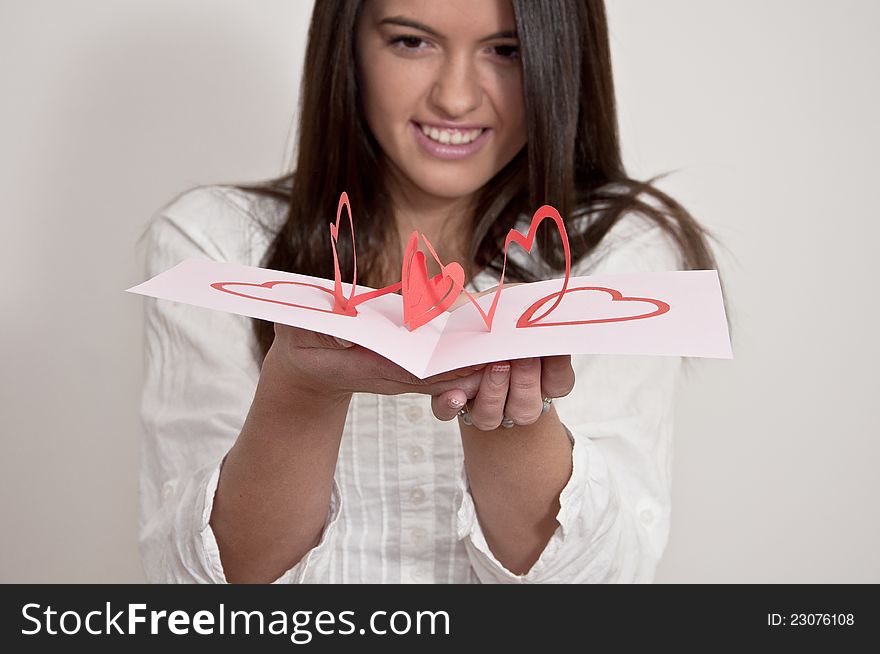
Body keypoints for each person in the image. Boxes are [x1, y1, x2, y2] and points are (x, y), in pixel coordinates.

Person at [138, 0, 719, 584]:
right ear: (348, 45)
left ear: (559, 59)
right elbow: (196, 591)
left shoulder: (620, 254)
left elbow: (607, 590)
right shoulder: (215, 241)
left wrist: (509, 409)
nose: (456, 99)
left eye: (506, 51)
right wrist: (299, 388)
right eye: (412, 42)